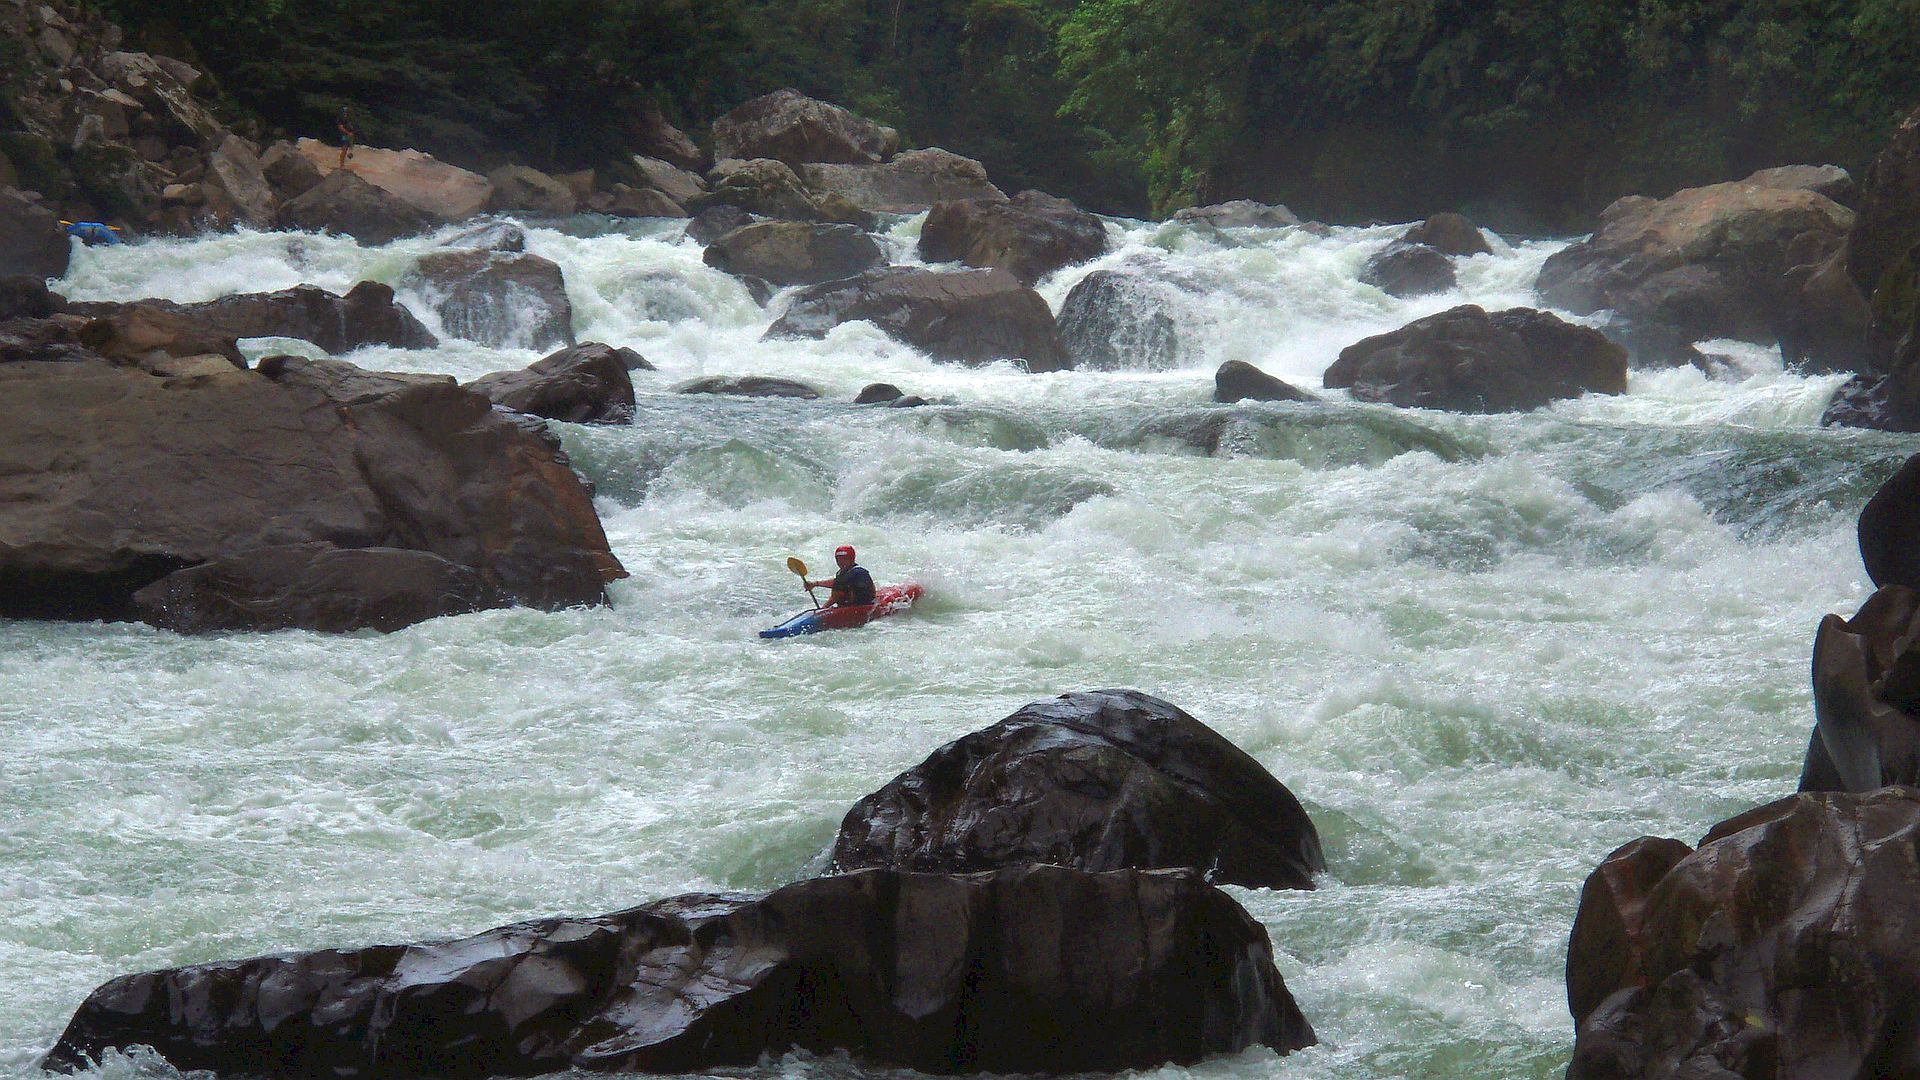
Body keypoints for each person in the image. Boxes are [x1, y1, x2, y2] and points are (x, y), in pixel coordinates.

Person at [806, 544, 875, 608]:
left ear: (852, 559)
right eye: (839, 559)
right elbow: (835, 595)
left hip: (863, 605)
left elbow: (838, 585)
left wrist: (816, 584)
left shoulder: (859, 572)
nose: (841, 562)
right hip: (848, 606)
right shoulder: (841, 573)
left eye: (845, 559)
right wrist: (823, 608)